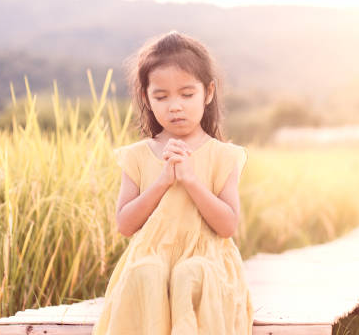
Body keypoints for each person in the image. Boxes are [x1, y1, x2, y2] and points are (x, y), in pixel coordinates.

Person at [91, 31, 253, 335]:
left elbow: (228, 226)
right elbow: (125, 225)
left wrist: (190, 180)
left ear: (207, 93)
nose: (174, 106)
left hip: (208, 258)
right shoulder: (137, 156)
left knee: (190, 273)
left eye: (186, 94)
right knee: (147, 273)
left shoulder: (224, 156)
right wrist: (163, 181)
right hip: (153, 254)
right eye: (162, 97)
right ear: (146, 99)